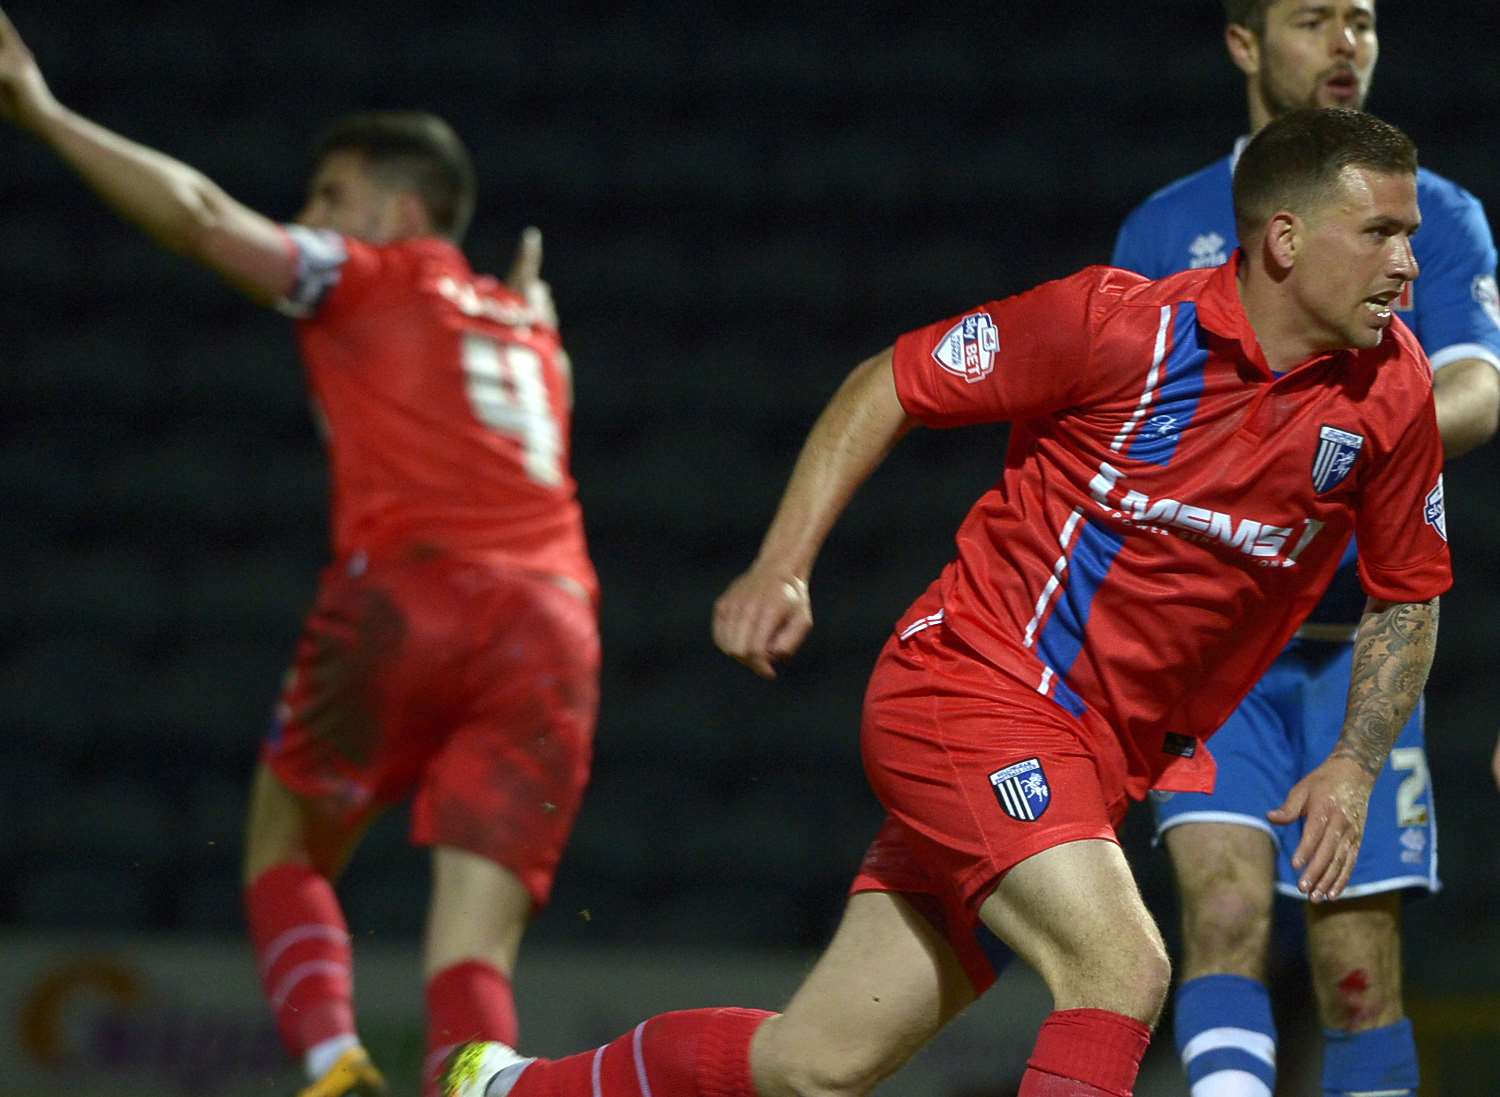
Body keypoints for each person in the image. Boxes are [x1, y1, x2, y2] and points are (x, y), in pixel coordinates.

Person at [438, 106, 1448, 1097]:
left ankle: (504, 1085)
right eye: (1381, 233)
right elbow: (892, 382)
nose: (1408, 262)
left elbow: (1408, 595)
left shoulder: (1391, 390)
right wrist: (782, 565)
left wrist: (1355, 764)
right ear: (1283, 237)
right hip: (974, 688)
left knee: (815, 1062)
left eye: (1409, 233)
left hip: (1102, 763)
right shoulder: (1120, 328)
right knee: (1121, 967)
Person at [0, 12, 600, 1097]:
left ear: (395, 205)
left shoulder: (366, 272)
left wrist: (43, 115)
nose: (311, 215)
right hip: (556, 623)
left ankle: (333, 1066)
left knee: (284, 843)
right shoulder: (529, 328)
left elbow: (196, 216)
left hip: (412, 590)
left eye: (329, 194)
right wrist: (537, 314)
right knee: (474, 942)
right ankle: (477, 1084)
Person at [1110, 4, 1500, 1094]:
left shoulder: (1436, 216)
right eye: (1314, 20)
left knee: (1356, 965)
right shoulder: (1165, 228)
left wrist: (1346, 440)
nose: (1347, 46)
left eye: (1364, 21)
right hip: (1212, 644)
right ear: (1244, 43)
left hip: (1358, 639)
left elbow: (1480, 382)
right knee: (1223, 907)